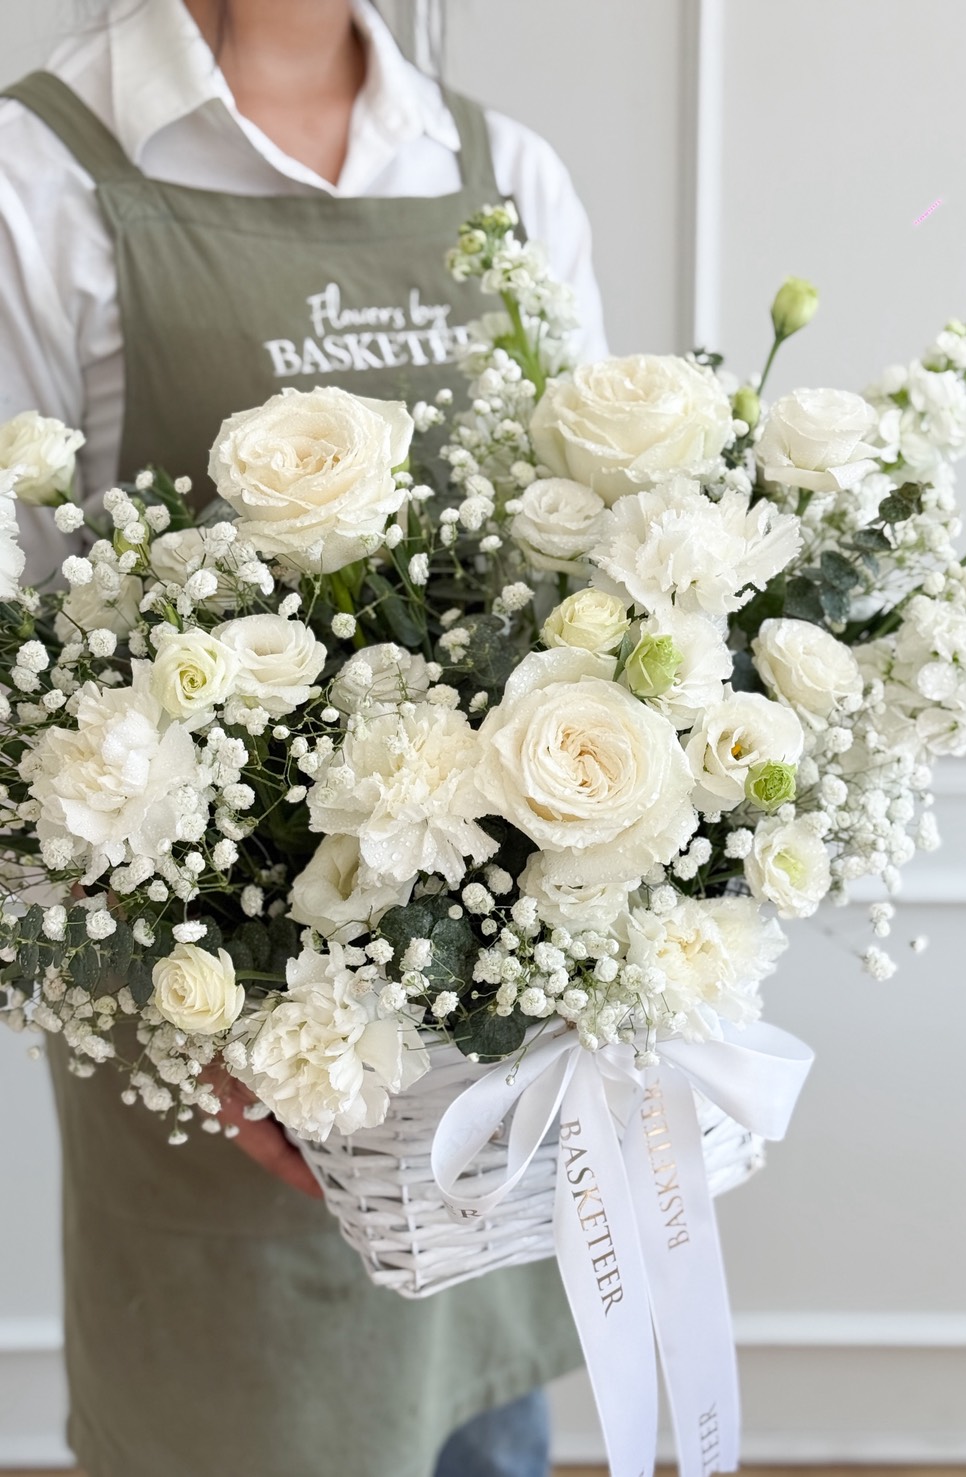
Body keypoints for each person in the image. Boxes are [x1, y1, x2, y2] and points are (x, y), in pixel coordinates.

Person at [0, 2, 608, 1474]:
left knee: (481, 1434)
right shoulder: (47, 171)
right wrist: (219, 1042)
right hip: (207, 1044)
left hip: (481, 1053)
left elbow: (597, 579)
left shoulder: (500, 171)